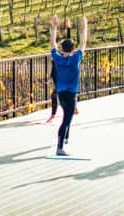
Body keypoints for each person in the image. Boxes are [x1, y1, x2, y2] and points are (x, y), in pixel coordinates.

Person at [50, 14, 88, 156]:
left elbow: (52, 44)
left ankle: (65, 139)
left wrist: (54, 26)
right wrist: (84, 26)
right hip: (71, 94)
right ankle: (60, 148)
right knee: (66, 120)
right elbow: (83, 43)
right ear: (72, 49)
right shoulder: (76, 58)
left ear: (62, 48)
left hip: (61, 93)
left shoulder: (58, 58)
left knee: (67, 116)